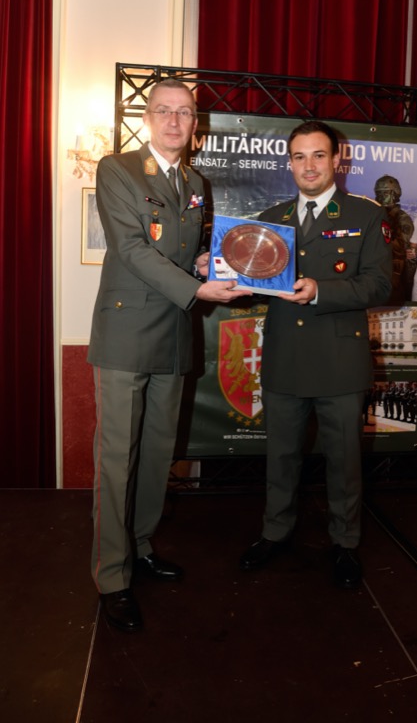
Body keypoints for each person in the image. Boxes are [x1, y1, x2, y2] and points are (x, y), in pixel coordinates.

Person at [88, 79, 252, 632]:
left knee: (158, 453)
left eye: (185, 113)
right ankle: (112, 576)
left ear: (195, 124)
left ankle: (140, 547)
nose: (175, 121)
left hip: (174, 333)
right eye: (164, 111)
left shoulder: (196, 182)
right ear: (148, 118)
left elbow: (185, 250)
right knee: (117, 459)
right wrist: (196, 287)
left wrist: (206, 263)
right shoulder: (118, 169)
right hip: (127, 333)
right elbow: (132, 248)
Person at [239, 120, 392, 588]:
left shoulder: (365, 216)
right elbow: (255, 283)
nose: (309, 165)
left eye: (319, 155)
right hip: (285, 354)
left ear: (337, 160)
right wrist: (227, 272)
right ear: (289, 163)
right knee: (281, 456)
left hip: (339, 359)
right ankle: (275, 531)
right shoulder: (272, 218)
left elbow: (380, 284)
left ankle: (345, 542)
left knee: (343, 461)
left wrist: (320, 290)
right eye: (299, 156)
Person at [373, 175, 414, 305]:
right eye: (378, 193)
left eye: (385, 193)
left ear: (395, 194)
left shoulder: (402, 219)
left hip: (395, 275)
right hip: (377, 273)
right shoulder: (376, 215)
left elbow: (402, 248)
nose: (380, 197)